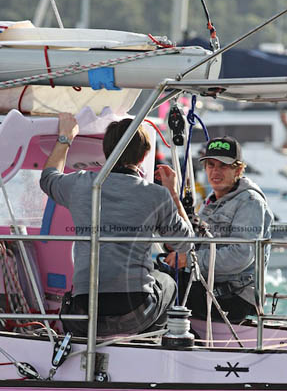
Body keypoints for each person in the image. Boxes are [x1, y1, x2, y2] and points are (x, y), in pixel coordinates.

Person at [40, 113, 193, 337]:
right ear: (144, 156)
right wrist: (172, 192)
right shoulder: (156, 195)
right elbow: (186, 242)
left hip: (84, 313)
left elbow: (48, 178)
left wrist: (65, 138)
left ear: (106, 151)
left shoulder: (80, 184)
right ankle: (148, 345)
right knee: (168, 282)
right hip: (136, 313)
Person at [163, 136, 274, 323]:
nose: (215, 172)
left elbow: (241, 255)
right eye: (211, 165)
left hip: (235, 297)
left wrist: (188, 260)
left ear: (238, 170)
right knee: (159, 278)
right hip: (212, 289)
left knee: (163, 289)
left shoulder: (251, 202)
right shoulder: (213, 202)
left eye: (223, 166)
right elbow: (193, 240)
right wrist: (172, 193)